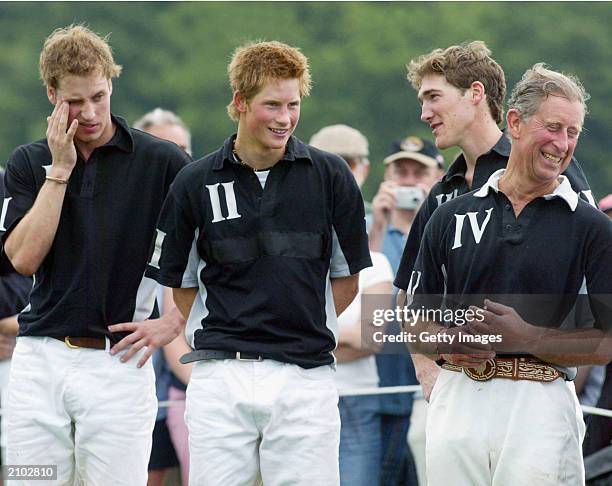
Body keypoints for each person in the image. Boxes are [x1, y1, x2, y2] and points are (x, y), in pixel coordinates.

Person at [145, 41, 371, 485]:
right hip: (219, 377)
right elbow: (183, 289)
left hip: (306, 377)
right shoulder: (193, 182)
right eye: (272, 105)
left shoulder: (331, 177)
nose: (285, 118)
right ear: (240, 103)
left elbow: (346, 283)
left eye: (293, 104)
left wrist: (295, 323)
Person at [0, 25, 191, 485]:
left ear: (111, 84)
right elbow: (23, 259)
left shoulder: (163, 161)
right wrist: (59, 171)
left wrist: (173, 322)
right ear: (51, 95)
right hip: (36, 365)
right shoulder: (28, 162)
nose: (89, 113)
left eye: (98, 97)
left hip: (119, 364)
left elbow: (209, 254)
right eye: (74, 101)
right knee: (31, 480)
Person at [405, 63, 612, 485]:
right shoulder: (448, 215)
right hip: (457, 399)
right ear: (515, 122)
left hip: (539, 406)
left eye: (572, 132)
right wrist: (447, 342)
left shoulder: (591, 226)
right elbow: (412, 319)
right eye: (553, 127)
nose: (563, 144)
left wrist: (528, 338)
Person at [395, 40, 593, 401]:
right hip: (455, 391)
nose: (425, 112)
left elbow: (589, 288)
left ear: (475, 94)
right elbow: (408, 294)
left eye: (434, 97)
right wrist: (428, 372)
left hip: (536, 390)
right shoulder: (442, 193)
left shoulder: (548, 161)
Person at [310, 124, 393, 486]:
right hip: (305, 396)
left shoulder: (378, 260)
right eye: (331, 164)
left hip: (356, 399)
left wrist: (308, 338)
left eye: (348, 163)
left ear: (363, 169)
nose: (340, 173)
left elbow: (371, 339)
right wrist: (341, 338)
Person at [368, 134, 442, 485]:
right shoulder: (365, 231)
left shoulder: (448, 230)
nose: (409, 181)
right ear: (386, 178)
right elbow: (357, 302)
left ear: (438, 177)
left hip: (428, 390)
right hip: (376, 390)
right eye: (401, 171)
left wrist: (434, 215)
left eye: (419, 172)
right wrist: (377, 229)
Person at [133, 108, 193, 486]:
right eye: (164, 148)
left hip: (185, 389)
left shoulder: (199, 218)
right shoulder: (126, 220)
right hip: (135, 385)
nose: (175, 159)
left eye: (183, 149)